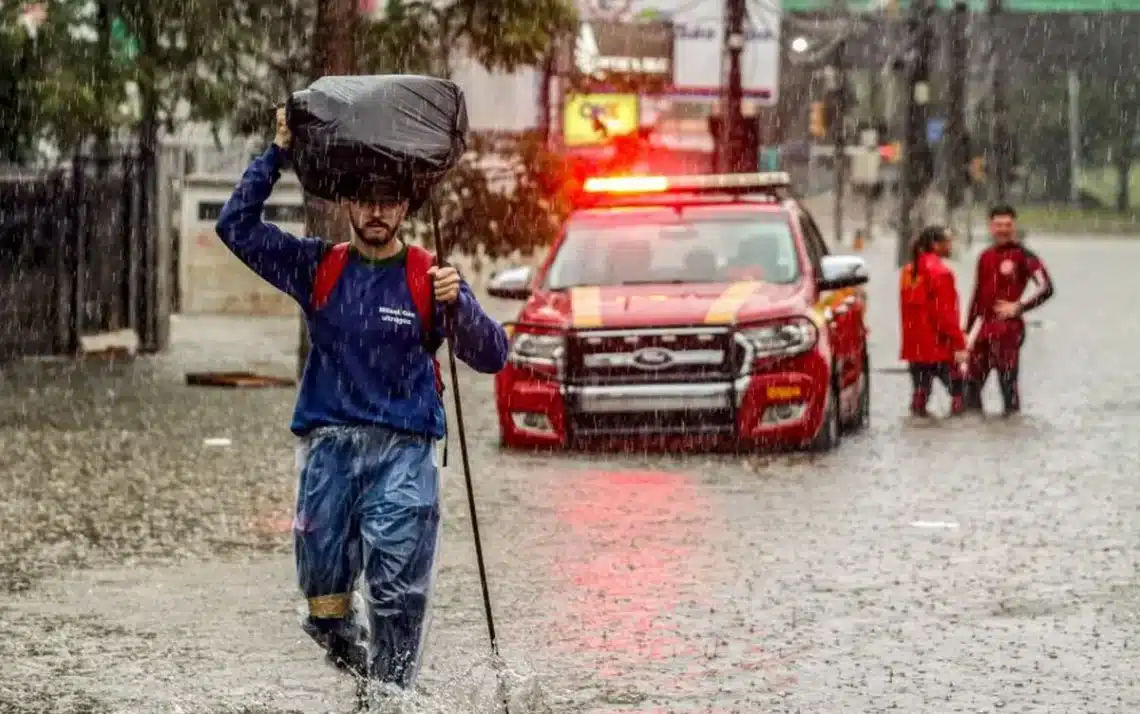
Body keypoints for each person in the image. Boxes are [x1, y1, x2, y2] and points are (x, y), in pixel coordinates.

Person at [214, 108, 508, 691]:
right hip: (328, 455)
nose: (378, 213)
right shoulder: (316, 265)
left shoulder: (430, 275)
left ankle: (389, 699)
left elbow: (493, 355)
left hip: (405, 453)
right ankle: (363, 672)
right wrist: (276, 154)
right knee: (324, 607)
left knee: (398, 596)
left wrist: (463, 306)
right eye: (367, 200)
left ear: (405, 208)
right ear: (348, 203)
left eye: (391, 201)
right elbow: (236, 228)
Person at [962, 205, 1054, 415]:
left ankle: (1010, 432)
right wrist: (966, 333)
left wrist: (1020, 307)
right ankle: (978, 440)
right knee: (970, 389)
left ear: (1014, 226)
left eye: (1007, 225)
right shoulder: (985, 256)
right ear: (990, 227)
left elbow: (1046, 287)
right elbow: (977, 297)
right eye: (998, 225)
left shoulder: (1024, 255)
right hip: (983, 330)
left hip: (1008, 332)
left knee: (1008, 388)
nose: (1003, 229)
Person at [898, 225, 969, 417]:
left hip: (915, 349)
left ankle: (919, 436)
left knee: (920, 396)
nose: (951, 245)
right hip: (940, 348)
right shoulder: (941, 273)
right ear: (935, 245)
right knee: (960, 395)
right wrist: (960, 345)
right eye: (948, 241)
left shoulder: (908, 272)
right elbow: (945, 315)